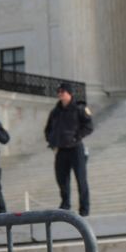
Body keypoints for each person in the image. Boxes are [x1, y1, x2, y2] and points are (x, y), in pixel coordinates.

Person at [44, 82, 94, 216]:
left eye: (63, 91)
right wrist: (52, 141)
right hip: (61, 150)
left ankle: (84, 209)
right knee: (61, 179)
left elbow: (89, 126)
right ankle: (65, 204)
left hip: (75, 149)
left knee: (81, 179)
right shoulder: (55, 112)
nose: (60, 94)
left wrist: (76, 137)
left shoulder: (79, 108)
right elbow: (48, 129)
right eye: (59, 91)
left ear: (69, 93)